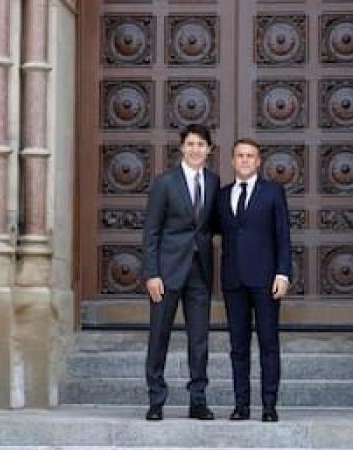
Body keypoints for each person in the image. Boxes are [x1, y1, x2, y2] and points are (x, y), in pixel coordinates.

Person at [142, 124, 220, 421]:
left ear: (209, 149)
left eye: (201, 144)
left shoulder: (213, 182)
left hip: (199, 273)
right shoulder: (165, 183)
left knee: (199, 339)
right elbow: (151, 231)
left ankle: (197, 401)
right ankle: (156, 401)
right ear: (181, 148)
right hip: (166, 273)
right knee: (158, 336)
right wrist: (151, 274)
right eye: (190, 144)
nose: (196, 149)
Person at [217, 138, 292, 422]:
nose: (245, 160)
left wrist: (283, 273)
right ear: (233, 161)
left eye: (250, 156)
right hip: (233, 280)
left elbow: (283, 235)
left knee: (268, 344)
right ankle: (241, 405)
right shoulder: (222, 196)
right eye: (240, 156)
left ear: (259, 162)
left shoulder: (273, 193)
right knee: (238, 346)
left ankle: (269, 405)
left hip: (265, 280)